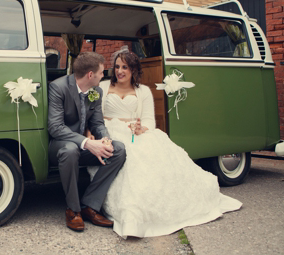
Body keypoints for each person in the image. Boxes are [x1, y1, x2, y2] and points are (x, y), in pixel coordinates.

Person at [88, 49, 242, 238]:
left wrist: (140, 128)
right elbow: (94, 117)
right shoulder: (103, 86)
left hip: (134, 132)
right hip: (110, 131)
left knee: (157, 160)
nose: (120, 71)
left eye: (125, 67)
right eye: (117, 66)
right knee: (130, 162)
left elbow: (149, 122)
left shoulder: (142, 91)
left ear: (133, 70)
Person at [48, 51, 127, 232]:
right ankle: (73, 210)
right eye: (101, 72)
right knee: (70, 150)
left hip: (83, 146)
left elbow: (97, 123)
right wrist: (87, 143)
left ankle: (90, 206)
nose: (103, 75)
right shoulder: (58, 87)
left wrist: (105, 139)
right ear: (90, 75)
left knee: (118, 149)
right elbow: (55, 128)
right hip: (60, 146)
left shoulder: (96, 91)